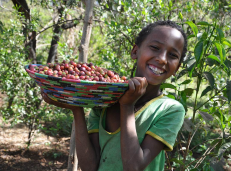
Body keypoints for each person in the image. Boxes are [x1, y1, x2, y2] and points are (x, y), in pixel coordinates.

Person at [41, 20, 187, 171]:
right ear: (135, 51)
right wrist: (76, 109)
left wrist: (127, 105)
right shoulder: (105, 98)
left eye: (172, 55)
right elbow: (90, 167)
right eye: (155, 47)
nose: (162, 59)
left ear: (177, 68)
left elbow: (134, 167)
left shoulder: (170, 110)